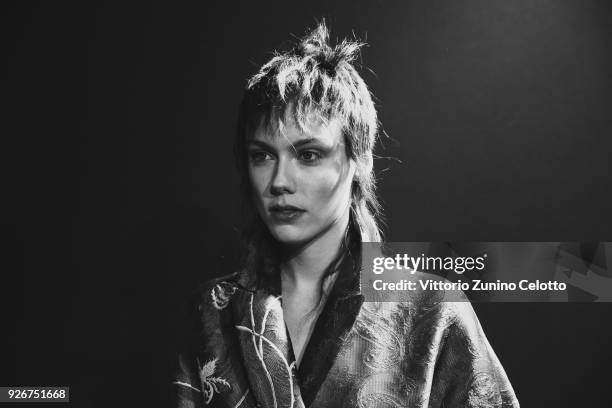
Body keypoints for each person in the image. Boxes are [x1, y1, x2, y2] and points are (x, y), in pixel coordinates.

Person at [172, 22, 519, 408]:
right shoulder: (212, 311)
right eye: (262, 156)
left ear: (361, 161)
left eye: (308, 155)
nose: (279, 181)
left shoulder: (432, 309)